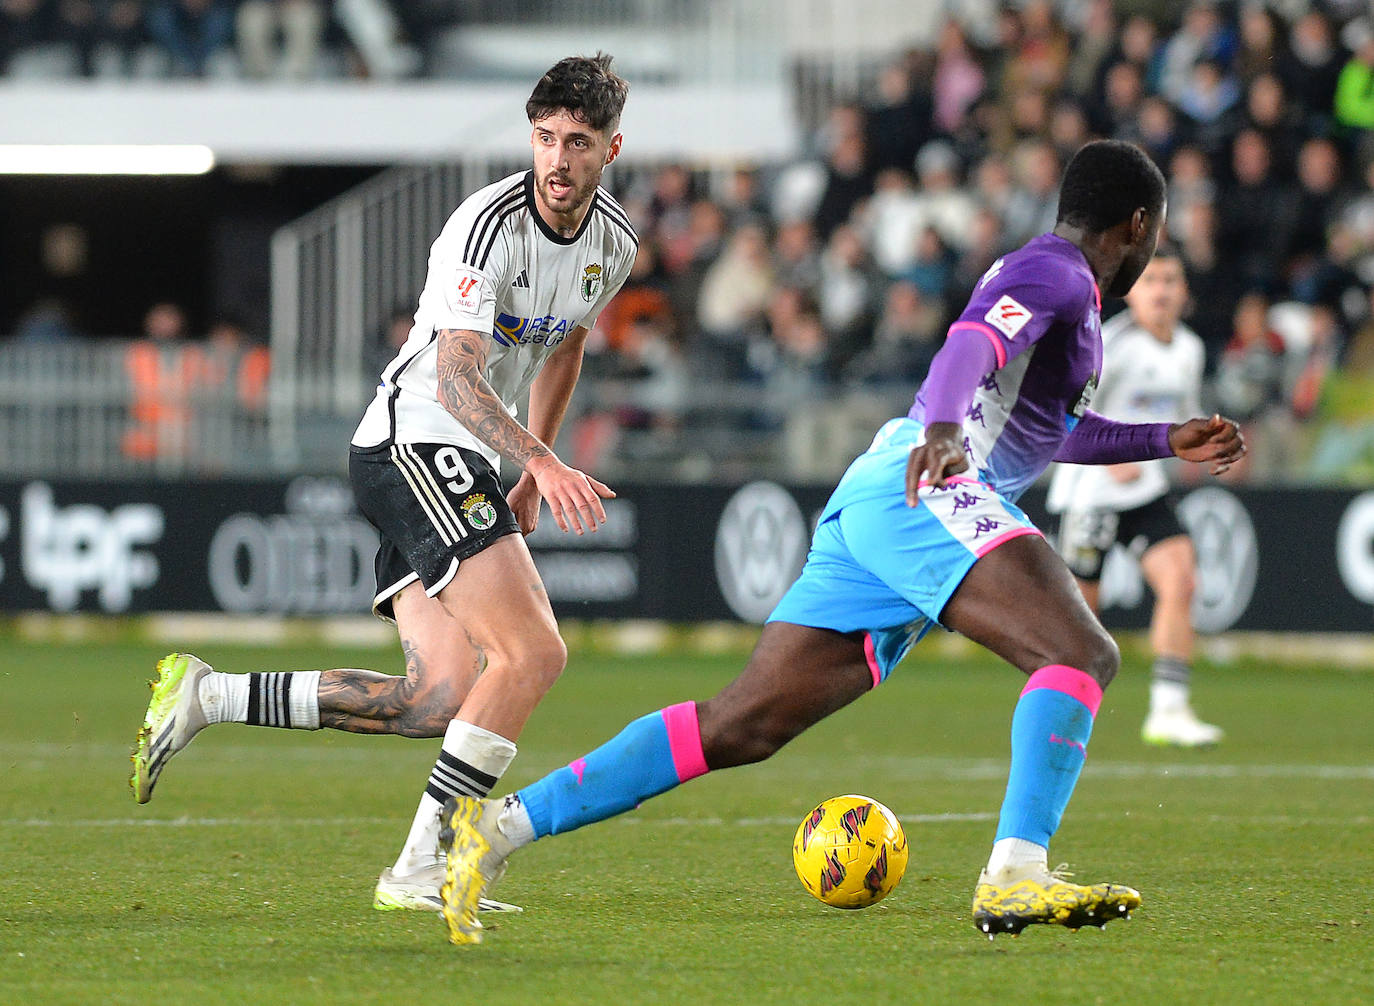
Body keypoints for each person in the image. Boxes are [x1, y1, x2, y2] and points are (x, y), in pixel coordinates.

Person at [434, 140, 1245, 945]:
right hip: (931, 489)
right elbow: (970, 344)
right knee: (1081, 653)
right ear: (1140, 224)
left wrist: (1164, 438)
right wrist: (940, 431)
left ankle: (496, 828)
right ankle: (1016, 872)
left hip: (888, 493)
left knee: (741, 724)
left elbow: (1049, 431)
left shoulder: (1063, 289)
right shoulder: (1057, 272)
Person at [130, 54, 638, 917]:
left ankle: (205, 694)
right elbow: (456, 380)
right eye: (545, 137)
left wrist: (529, 463)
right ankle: (422, 869)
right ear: (531, 137)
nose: (557, 159)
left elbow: (571, 343)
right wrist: (543, 465)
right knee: (533, 652)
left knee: (436, 696)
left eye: (577, 142)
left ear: (610, 149)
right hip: (415, 438)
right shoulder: (488, 226)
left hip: (469, 458)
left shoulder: (614, 244)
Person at [1046, 245, 1222, 747]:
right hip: (1091, 492)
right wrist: (1113, 454)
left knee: (1181, 580)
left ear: (1184, 291)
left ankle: (1169, 709)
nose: (1162, 292)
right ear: (1133, 292)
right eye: (1152, 282)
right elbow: (1066, 412)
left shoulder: (1189, 348)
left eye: (1171, 282)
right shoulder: (1111, 345)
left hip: (1145, 490)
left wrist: (1208, 444)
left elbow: (1183, 418)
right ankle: (1060, 718)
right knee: (1080, 619)